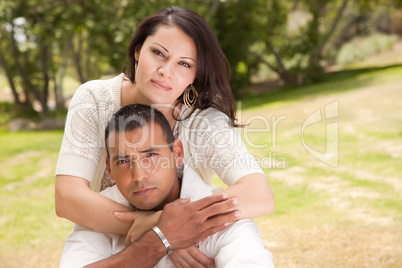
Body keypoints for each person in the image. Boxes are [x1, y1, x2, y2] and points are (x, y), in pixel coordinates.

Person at [55, 6, 275, 266]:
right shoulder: (94, 100)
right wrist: (160, 230)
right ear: (138, 51)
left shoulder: (204, 121)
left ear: (195, 75)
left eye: (184, 64)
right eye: (158, 53)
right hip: (104, 237)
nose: (165, 71)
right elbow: (67, 198)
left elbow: (258, 194)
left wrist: (180, 228)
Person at [60, 104, 274, 268]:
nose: (139, 176)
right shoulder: (98, 217)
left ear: (177, 153)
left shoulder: (224, 219)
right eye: (123, 161)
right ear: (109, 168)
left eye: (151, 155)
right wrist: (160, 239)